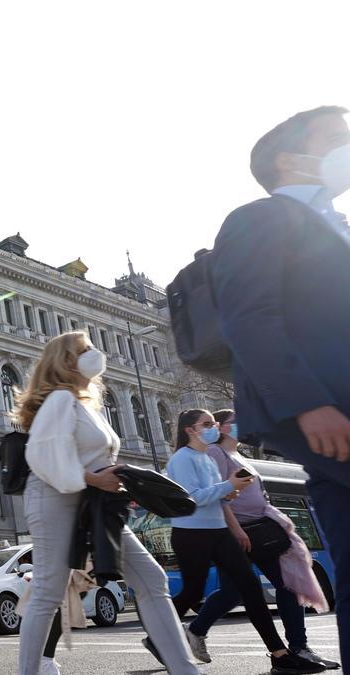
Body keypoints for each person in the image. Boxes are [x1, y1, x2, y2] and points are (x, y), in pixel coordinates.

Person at [211, 105, 350, 668]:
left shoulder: (334, 226)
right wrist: (309, 403)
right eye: (337, 139)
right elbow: (249, 317)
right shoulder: (259, 219)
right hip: (330, 408)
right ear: (292, 159)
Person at [14, 331, 200, 675]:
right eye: (85, 349)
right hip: (54, 498)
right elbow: (42, 455)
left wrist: (110, 483)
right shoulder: (59, 399)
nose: (94, 354)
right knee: (48, 592)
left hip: (95, 503)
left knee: (151, 578)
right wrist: (95, 478)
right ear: (67, 361)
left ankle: (185, 669)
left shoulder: (87, 405)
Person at [166, 408, 322, 673]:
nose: (212, 427)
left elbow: (217, 495)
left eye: (214, 423)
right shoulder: (184, 458)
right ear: (190, 430)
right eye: (206, 424)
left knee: (250, 590)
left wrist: (230, 493)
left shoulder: (205, 456)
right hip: (195, 533)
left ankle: (280, 654)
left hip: (218, 531)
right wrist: (229, 489)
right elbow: (193, 497)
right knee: (193, 592)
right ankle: (162, 636)